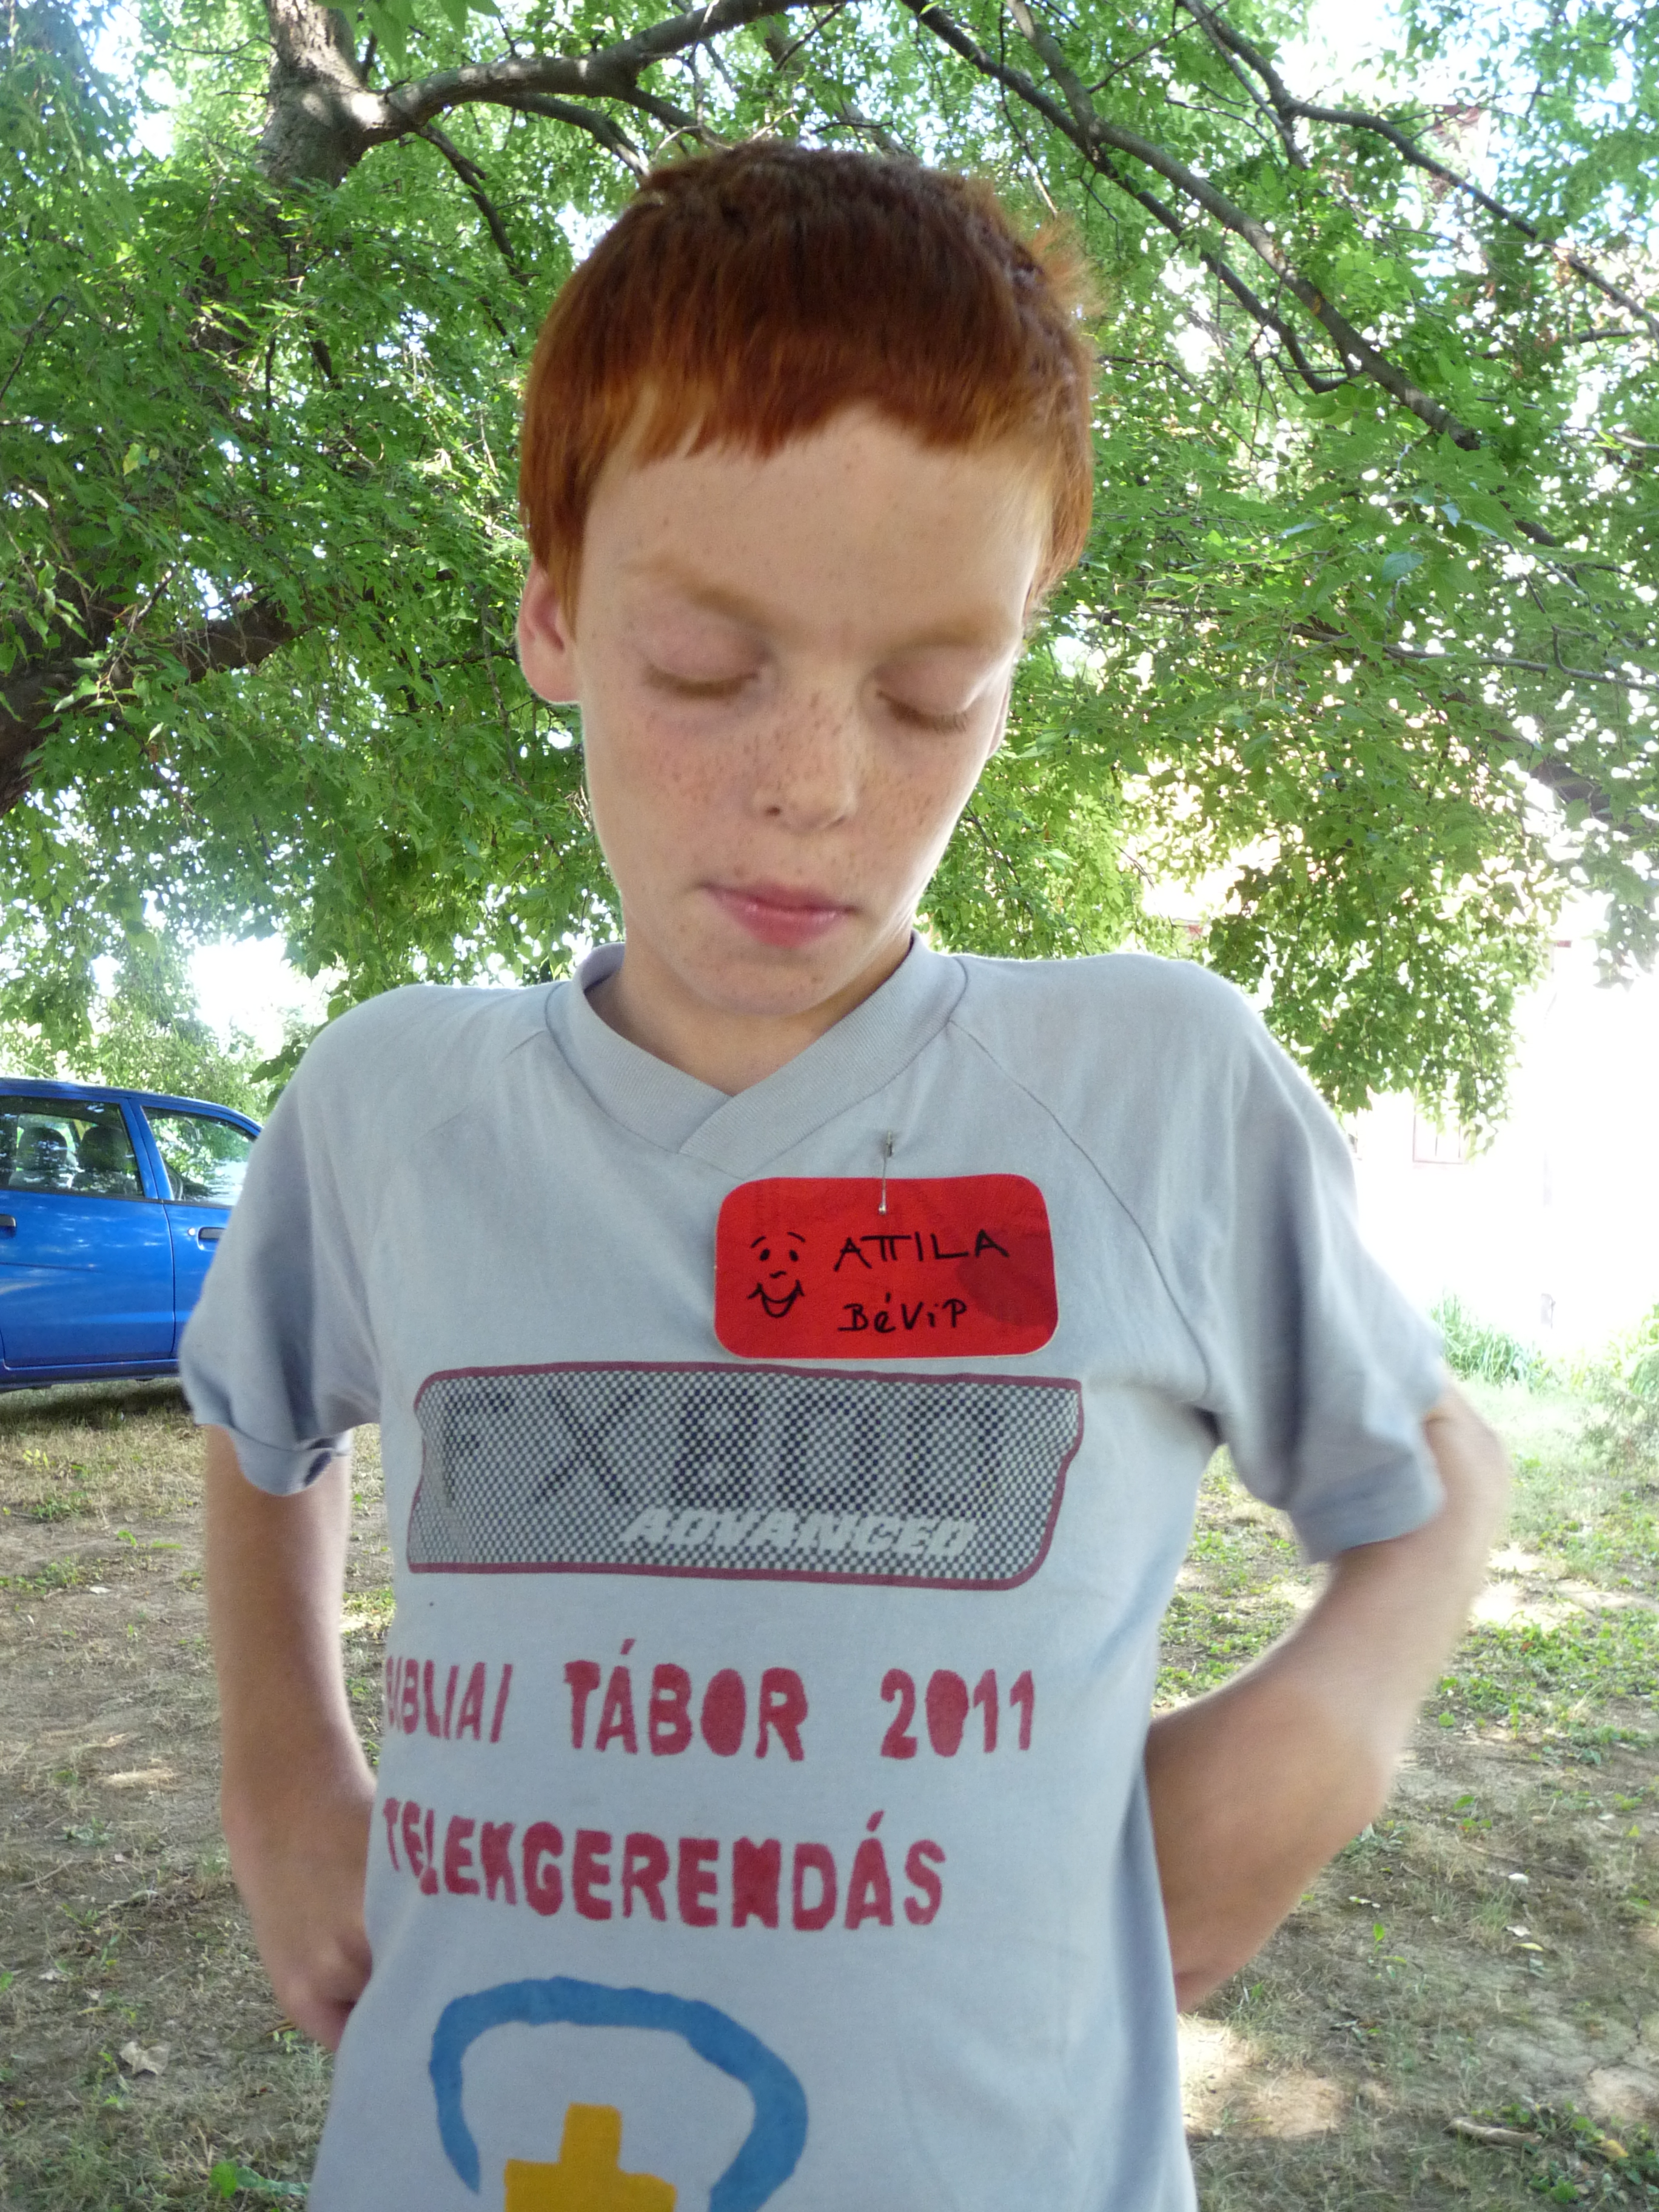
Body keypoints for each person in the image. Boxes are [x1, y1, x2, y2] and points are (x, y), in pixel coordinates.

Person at [186, 143, 1508, 2212]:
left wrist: (1338, 1728)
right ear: (553, 614)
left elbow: (1436, 1465)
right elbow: (258, 1426)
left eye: (928, 694)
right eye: (705, 670)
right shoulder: (386, 1109)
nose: (814, 785)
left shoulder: (1151, 1093)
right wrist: (286, 1773)